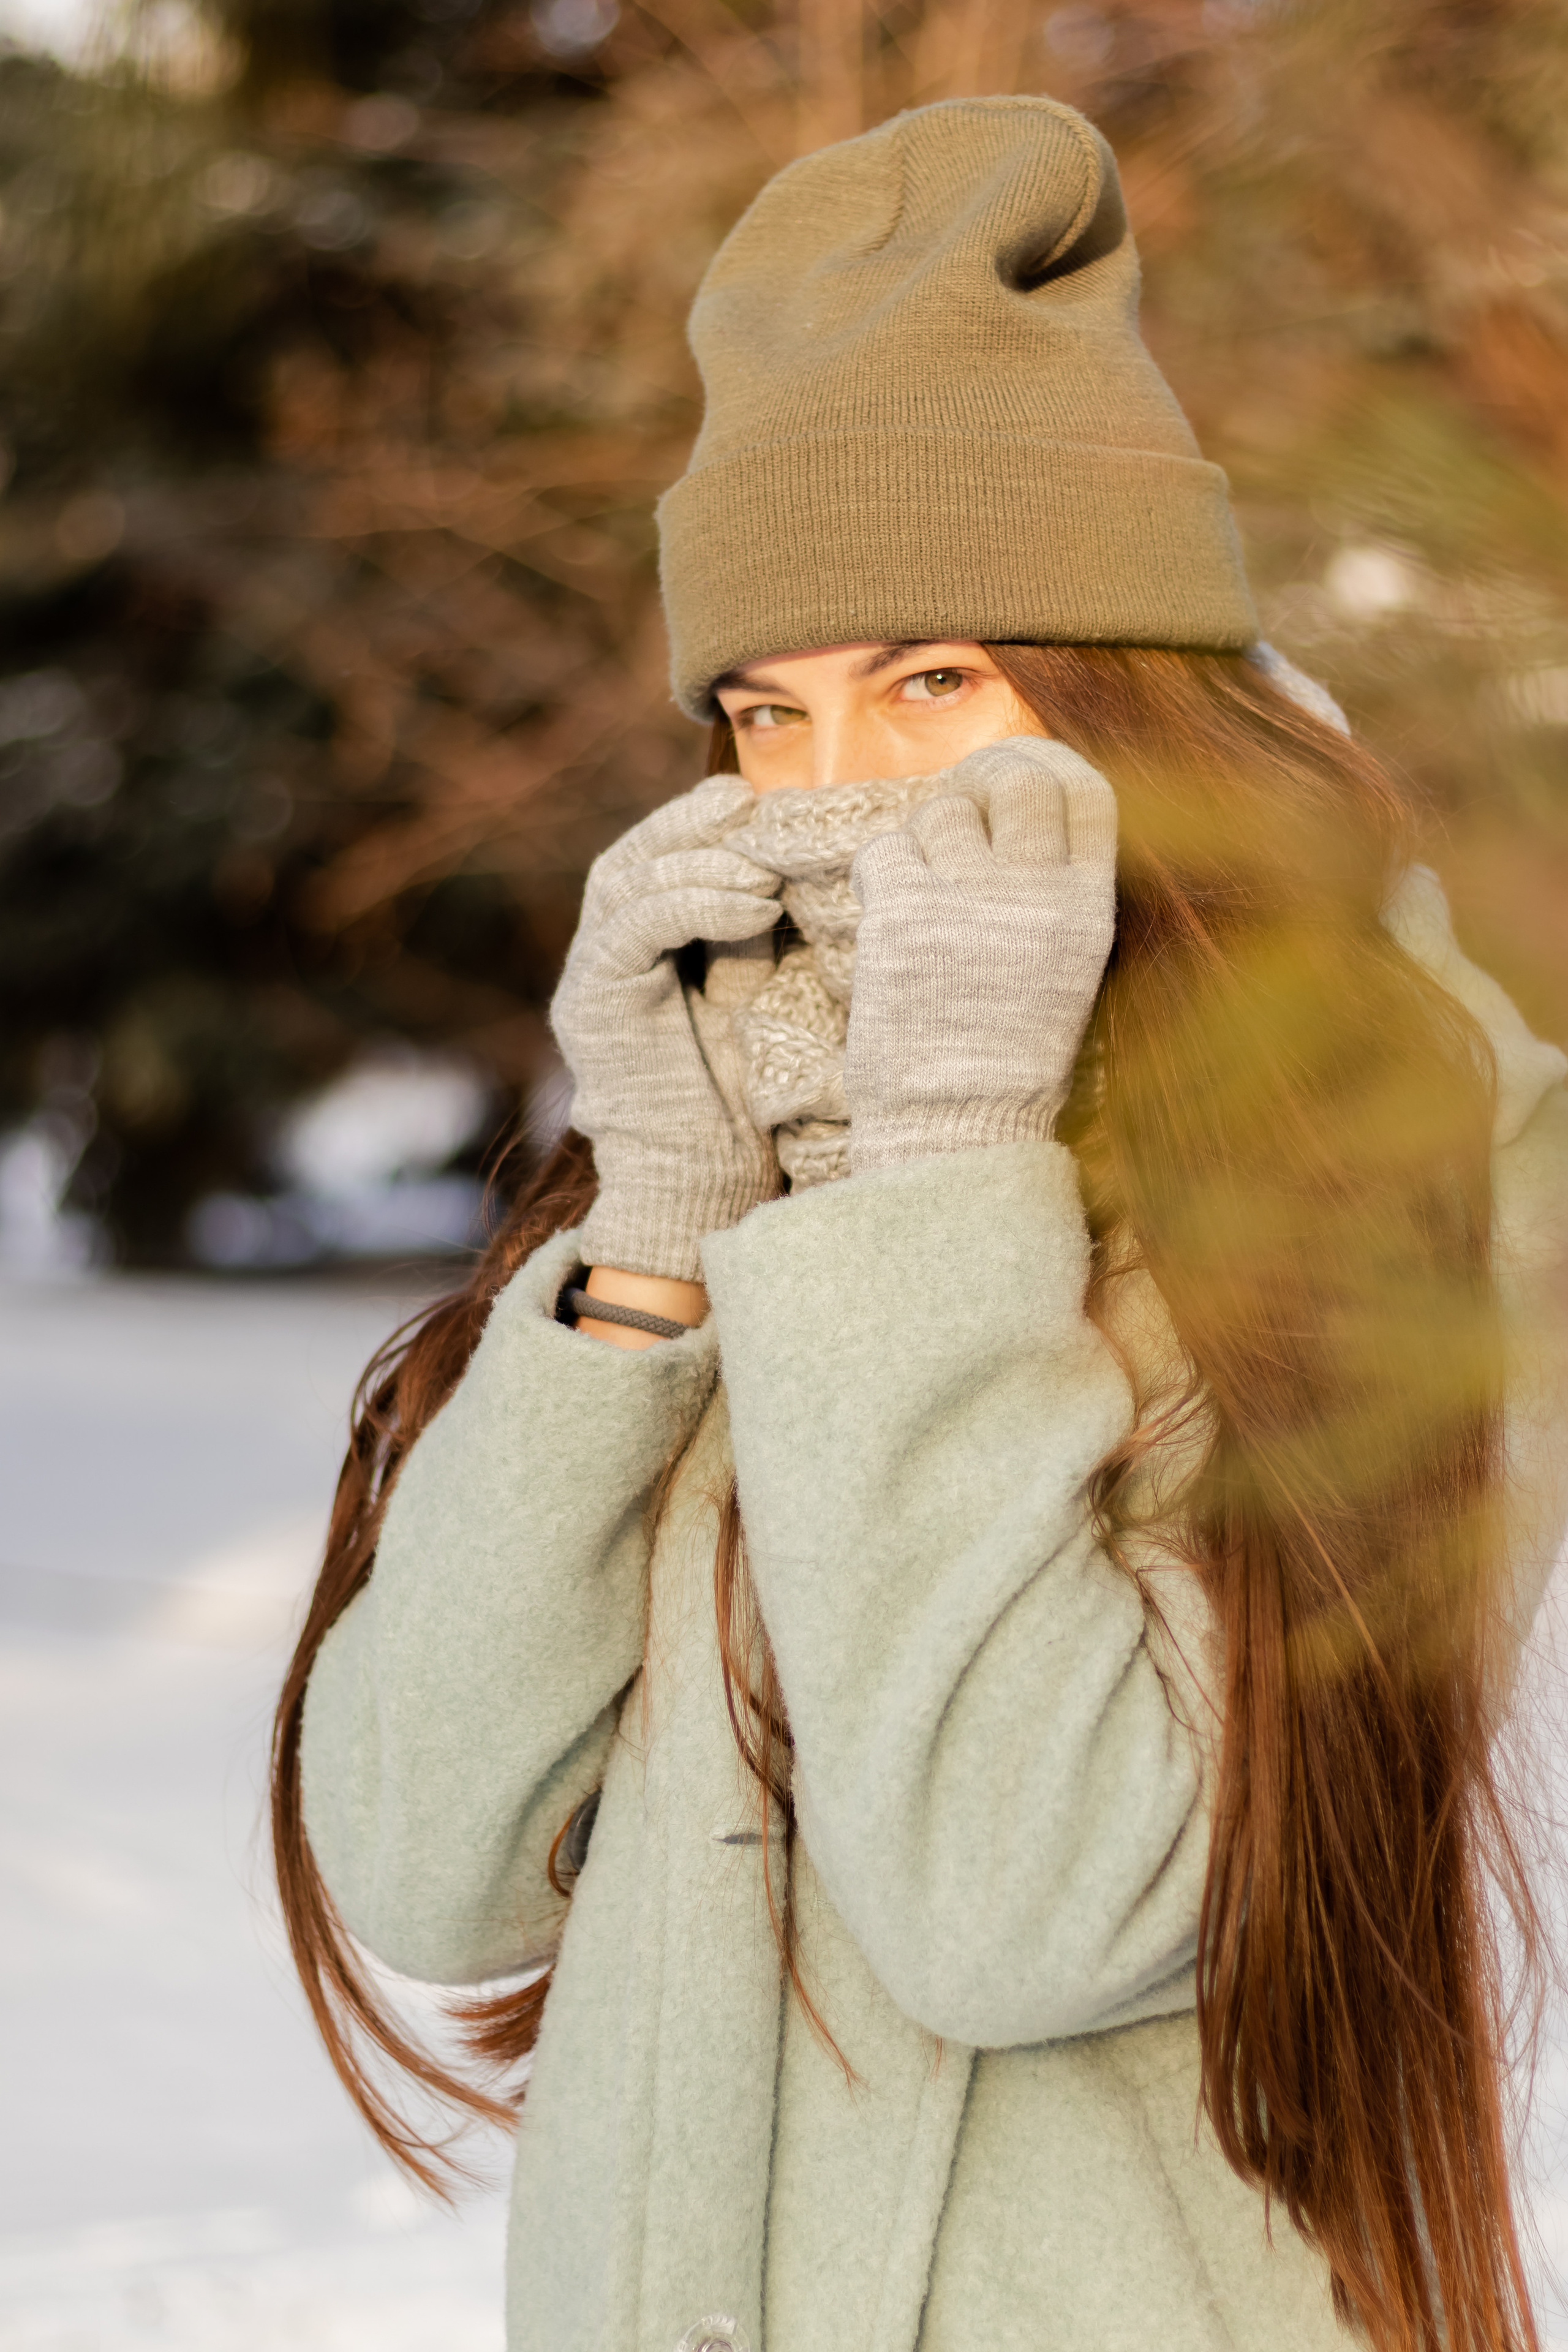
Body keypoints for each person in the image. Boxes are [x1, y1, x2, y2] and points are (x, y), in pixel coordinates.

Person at [271, 96, 1568, 2352]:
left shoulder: (1431, 1166)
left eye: (937, 685)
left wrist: (942, 1180)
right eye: (767, 714)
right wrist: (656, 1240)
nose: (843, 797)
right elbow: (424, 1862)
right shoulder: (751, 1130)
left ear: (1134, 700)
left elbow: (1032, 1905)